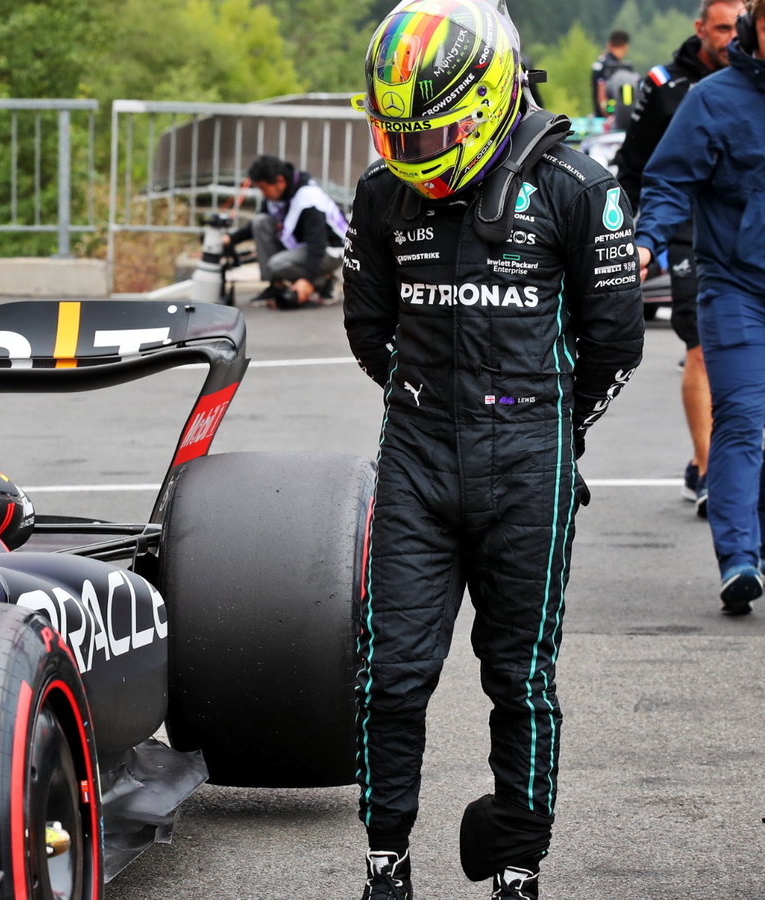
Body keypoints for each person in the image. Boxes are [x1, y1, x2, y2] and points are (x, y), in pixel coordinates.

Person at [344, 2, 644, 897]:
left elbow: (616, 345)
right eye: (399, 129)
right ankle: (386, 860)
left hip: (529, 462)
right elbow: (369, 332)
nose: (413, 146)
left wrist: (551, 426)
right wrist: (435, 403)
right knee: (391, 675)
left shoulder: (579, 188)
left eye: (430, 129)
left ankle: (517, 862)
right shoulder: (381, 194)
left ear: (484, 99)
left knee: (519, 678)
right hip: (418, 457)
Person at [635, 0, 765, 615]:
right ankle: (739, 558)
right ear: (751, 31)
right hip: (737, 285)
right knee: (739, 418)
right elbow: (667, 181)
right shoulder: (713, 99)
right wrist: (645, 242)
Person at [613, 0, 744, 515]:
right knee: (700, 346)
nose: (730, 37)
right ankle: (710, 468)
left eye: (739, 27)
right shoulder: (664, 82)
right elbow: (633, 161)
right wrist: (628, 232)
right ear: (700, 29)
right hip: (681, 220)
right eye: (720, 28)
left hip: (739, 221)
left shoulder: (751, 80)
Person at [223, 155, 348, 308]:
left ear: (279, 181)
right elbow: (254, 227)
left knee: (276, 264)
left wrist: (307, 280)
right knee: (260, 221)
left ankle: (324, 281)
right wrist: (231, 238)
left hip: (331, 250)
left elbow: (317, 243)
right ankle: (277, 286)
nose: (263, 194)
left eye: (263, 188)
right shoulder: (278, 195)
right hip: (305, 247)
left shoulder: (308, 197)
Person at [591, 29, 636, 118]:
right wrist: (611, 113)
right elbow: (602, 98)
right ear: (625, 47)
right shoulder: (611, 66)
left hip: (599, 114)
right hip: (607, 117)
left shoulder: (601, 61)